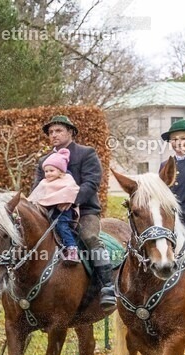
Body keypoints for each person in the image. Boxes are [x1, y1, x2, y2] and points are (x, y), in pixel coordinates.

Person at [32, 115, 114, 308]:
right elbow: (37, 188)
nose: (54, 135)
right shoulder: (43, 160)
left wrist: (71, 200)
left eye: (58, 130)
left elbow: (92, 182)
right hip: (50, 213)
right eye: (51, 132)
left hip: (84, 211)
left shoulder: (86, 153)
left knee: (90, 238)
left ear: (71, 132)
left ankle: (108, 286)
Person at [28, 148, 80, 262]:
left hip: (63, 212)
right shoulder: (44, 183)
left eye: (52, 171)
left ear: (60, 171)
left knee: (62, 226)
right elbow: (36, 195)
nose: (48, 174)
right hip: (48, 212)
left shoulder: (67, 181)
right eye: (46, 171)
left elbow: (72, 191)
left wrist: (65, 200)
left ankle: (72, 249)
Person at [160, 119, 185, 228]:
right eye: (174, 139)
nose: (179, 142)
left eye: (183, 138)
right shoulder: (165, 165)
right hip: (170, 222)